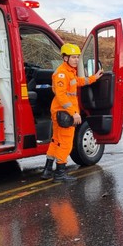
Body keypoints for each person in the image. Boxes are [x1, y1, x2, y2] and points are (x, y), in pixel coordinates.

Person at [41, 43, 103, 181]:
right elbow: (61, 96)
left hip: (60, 112)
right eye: (73, 57)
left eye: (77, 57)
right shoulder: (62, 73)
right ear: (65, 58)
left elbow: (78, 81)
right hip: (64, 113)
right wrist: (73, 113)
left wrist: (94, 78)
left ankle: (47, 170)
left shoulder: (69, 72)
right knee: (66, 143)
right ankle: (60, 173)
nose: (76, 60)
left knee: (56, 141)